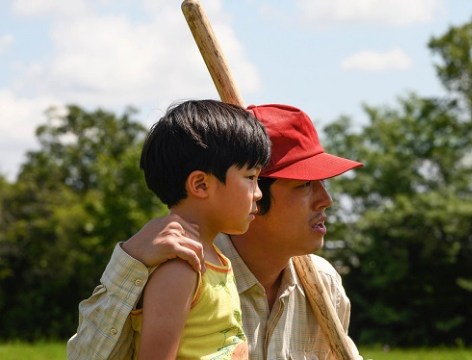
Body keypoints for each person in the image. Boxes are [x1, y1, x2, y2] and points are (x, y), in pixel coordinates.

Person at [67, 103, 364, 360]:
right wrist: (129, 261)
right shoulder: (180, 267)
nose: (327, 200)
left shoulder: (323, 284)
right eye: (304, 185)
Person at [130, 99, 271, 359]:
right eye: (250, 177)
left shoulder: (217, 260)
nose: (259, 193)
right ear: (201, 185)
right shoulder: (180, 267)